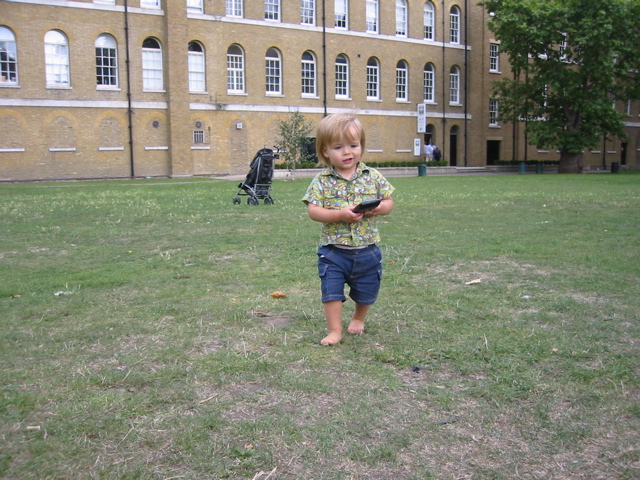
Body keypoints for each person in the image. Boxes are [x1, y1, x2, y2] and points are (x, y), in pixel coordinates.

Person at [302, 113, 395, 345]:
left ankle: (358, 318)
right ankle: (335, 330)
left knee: (367, 290)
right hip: (334, 252)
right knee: (331, 291)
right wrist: (339, 215)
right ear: (325, 151)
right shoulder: (322, 180)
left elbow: (388, 202)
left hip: (367, 250)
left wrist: (378, 209)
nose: (347, 152)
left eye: (353, 145)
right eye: (338, 147)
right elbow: (314, 211)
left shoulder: (372, 176)